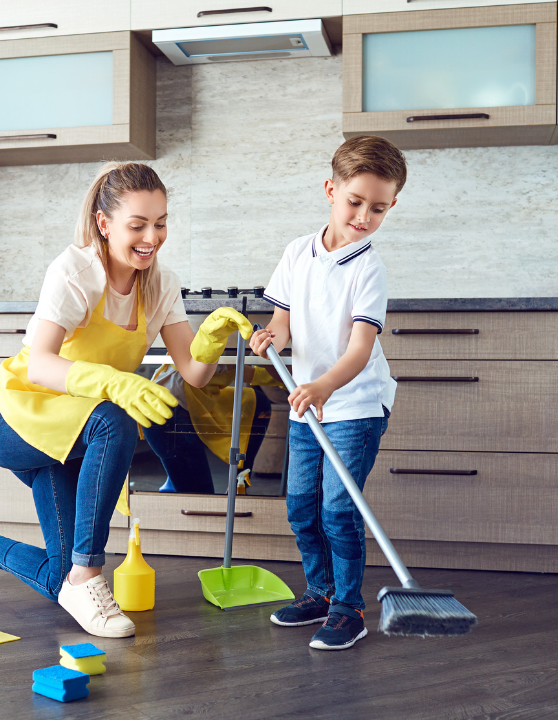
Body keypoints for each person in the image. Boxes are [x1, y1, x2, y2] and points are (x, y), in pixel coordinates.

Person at [0, 162, 251, 639]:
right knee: (115, 421)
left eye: (160, 223)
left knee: (59, 578)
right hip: (11, 415)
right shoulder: (75, 271)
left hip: (72, 430)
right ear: (104, 223)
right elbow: (39, 366)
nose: (152, 237)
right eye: (137, 225)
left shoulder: (160, 284)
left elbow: (195, 374)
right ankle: (90, 574)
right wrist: (115, 383)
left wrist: (212, 337)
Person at [251, 135, 406, 651]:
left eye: (378, 208)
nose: (364, 215)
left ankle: (349, 606)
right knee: (301, 504)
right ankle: (318, 591)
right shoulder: (298, 253)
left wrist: (322, 385)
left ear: (391, 206)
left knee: (339, 508)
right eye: (355, 201)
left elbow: (361, 349)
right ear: (330, 190)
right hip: (307, 401)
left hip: (355, 403)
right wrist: (272, 337)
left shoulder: (369, 267)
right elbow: (283, 323)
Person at [143, 364, 275, 494]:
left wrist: (288, 379)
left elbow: (248, 372)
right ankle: (179, 477)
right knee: (201, 501)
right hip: (167, 413)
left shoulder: (225, 359)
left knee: (257, 401)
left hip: (185, 406)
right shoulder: (204, 353)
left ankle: (238, 482)